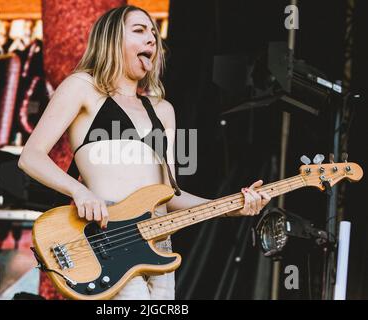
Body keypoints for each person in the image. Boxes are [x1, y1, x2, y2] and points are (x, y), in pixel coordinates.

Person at [18, 5, 271, 300]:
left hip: (159, 247)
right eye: (139, 31)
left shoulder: (163, 111)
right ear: (111, 39)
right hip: (108, 241)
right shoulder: (82, 86)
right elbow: (31, 156)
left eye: (153, 32)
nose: (152, 39)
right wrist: (80, 191)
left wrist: (231, 206)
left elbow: (171, 194)